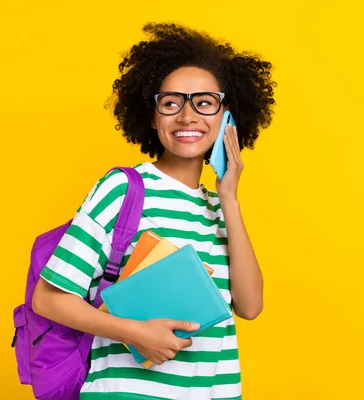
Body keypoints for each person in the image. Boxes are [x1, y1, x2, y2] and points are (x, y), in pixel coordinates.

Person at [32, 22, 275, 400]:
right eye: (171, 102)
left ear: (227, 117)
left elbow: (250, 306)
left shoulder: (219, 207)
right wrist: (134, 332)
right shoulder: (124, 189)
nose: (187, 115)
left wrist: (229, 197)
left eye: (205, 102)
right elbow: (47, 298)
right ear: (152, 115)